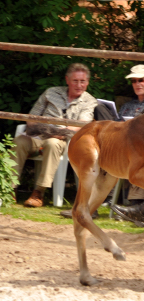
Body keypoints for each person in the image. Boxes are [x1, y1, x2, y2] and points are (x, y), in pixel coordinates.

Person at [11, 63, 97, 207]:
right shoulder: (51, 93)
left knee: (52, 144)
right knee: (19, 141)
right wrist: (45, 130)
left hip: (62, 140)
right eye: (75, 81)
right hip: (38, 134)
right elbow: (31, 118)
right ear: (67, 80)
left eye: (83, 81)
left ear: (87, 82)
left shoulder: (89, 101)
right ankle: (10, 189)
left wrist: (58, 133)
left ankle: (38, 192)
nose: (79, 85)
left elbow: (81, 125)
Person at [111, 64, 144, 226]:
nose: (137, 84)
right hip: (123, 147)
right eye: (134, 81)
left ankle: (138, 206)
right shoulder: (127, 106)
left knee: (138, 156)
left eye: (141, 80)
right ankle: (92, 203)